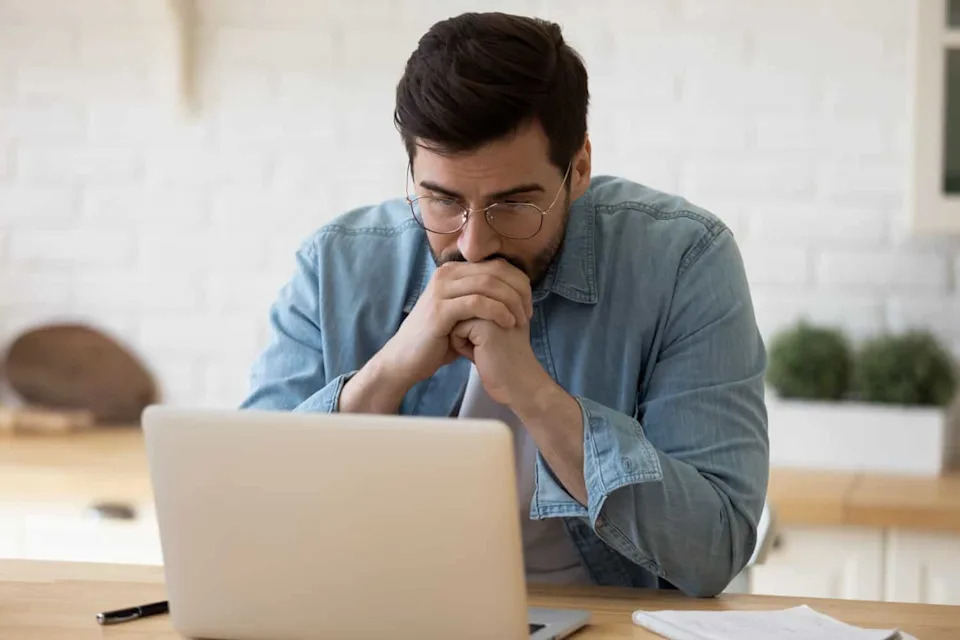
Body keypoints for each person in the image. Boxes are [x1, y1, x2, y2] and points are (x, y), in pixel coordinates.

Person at [241, 12, 768, 597]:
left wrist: (533, 393)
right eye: (441, 201)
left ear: (580, 168)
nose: (475, 243)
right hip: (381, 614)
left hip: (600, 621)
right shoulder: (334, 266)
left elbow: (714, 548)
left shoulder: (682, 260)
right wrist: (387, 374)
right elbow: (245, 520)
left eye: (513, 205)